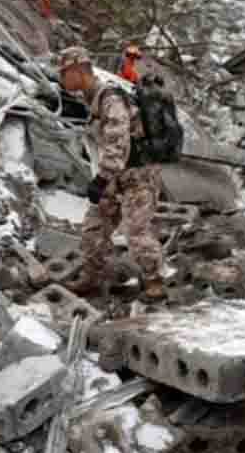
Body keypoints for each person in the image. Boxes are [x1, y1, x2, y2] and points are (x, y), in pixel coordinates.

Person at [57, 46, 165, 299]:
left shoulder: (110, 99)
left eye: (64, 73)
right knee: (95, 227)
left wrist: (102, 177)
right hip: (116, 176)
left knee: (136, 231)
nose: (61, 79)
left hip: (137, 176)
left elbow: (119, 139)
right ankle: (91, 278)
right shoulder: (93, 99)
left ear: (77, 71)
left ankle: (155, 282)